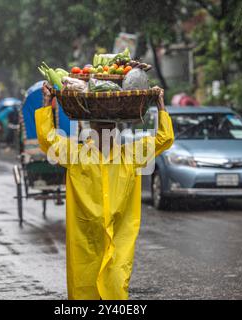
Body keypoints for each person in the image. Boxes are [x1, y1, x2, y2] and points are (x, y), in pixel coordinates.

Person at [35, 83, 174, 300]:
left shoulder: (132, 154)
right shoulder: (76, 154)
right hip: (86, 243)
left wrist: (160, 104)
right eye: (100, 129)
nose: (105, 133)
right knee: (84, 293)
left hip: (118, 242)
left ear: (116, 131)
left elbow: (164, 138)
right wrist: (46, 103)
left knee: (116, 290)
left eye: (109, 129)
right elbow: (47, 139)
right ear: (92, 130)